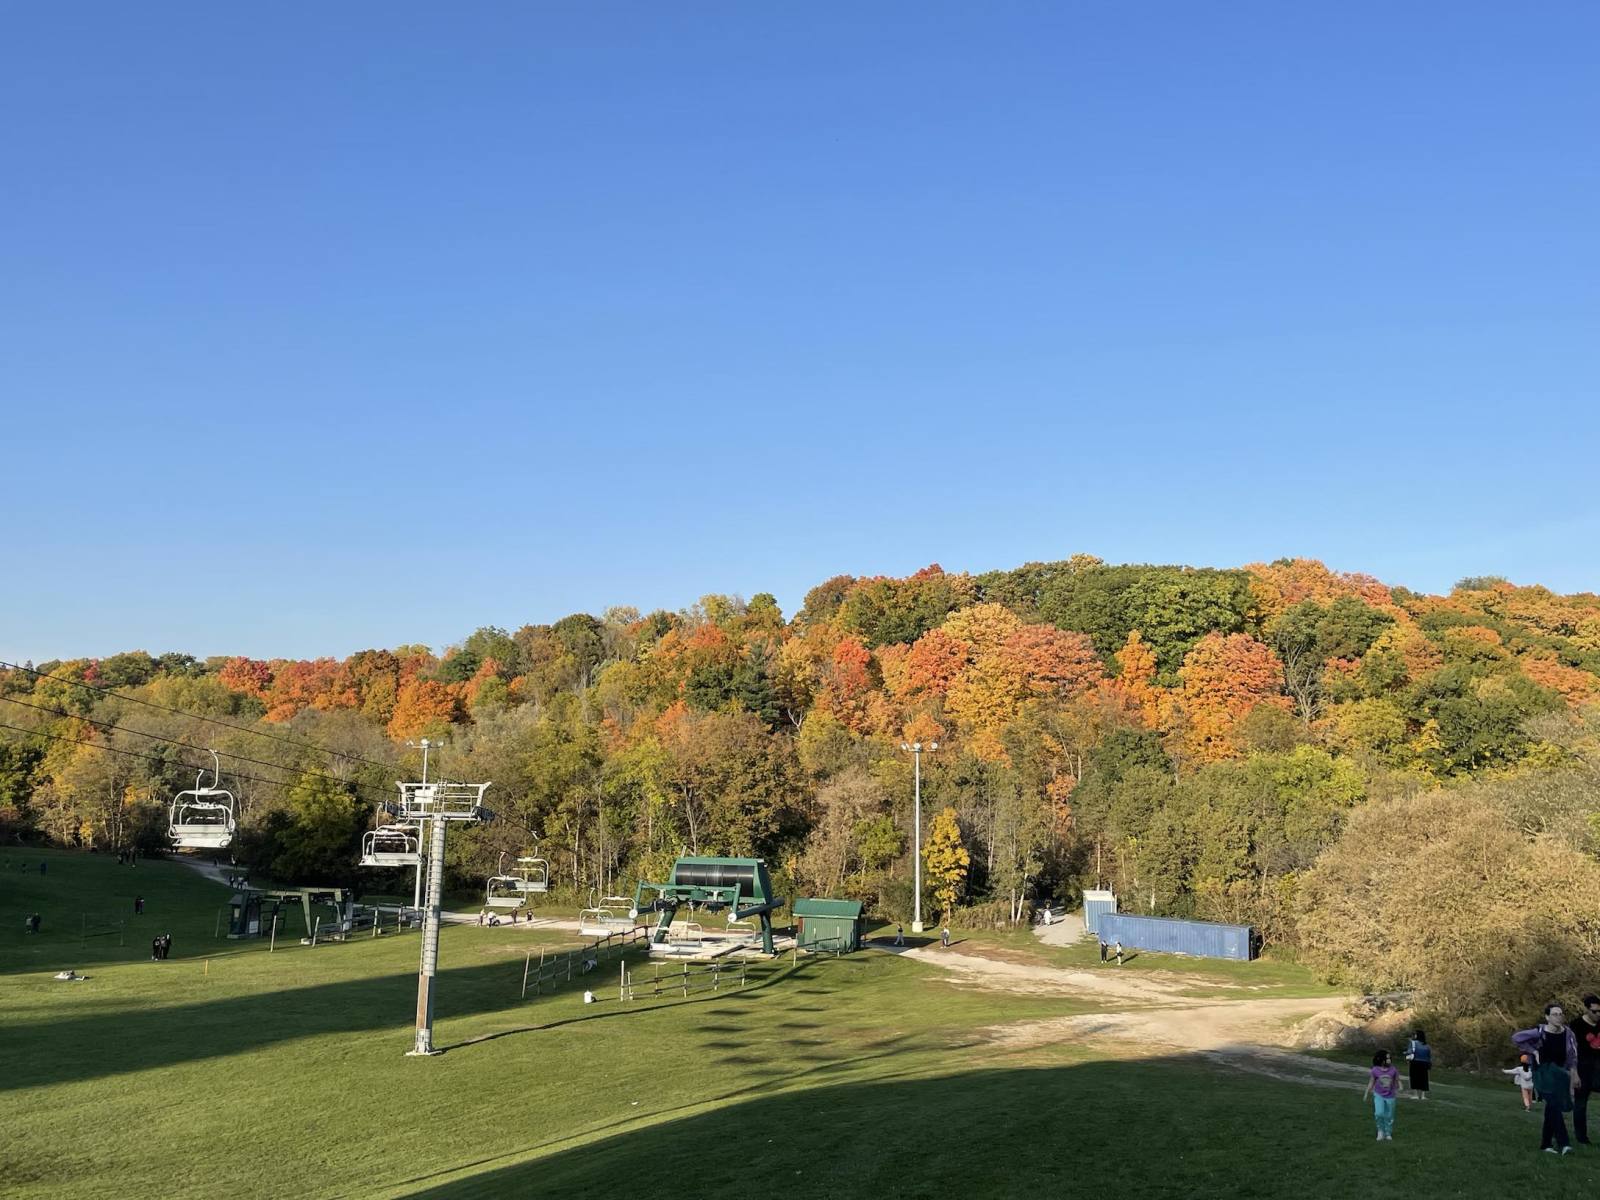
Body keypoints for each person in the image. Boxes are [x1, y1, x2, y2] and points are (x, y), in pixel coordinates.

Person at [1514, 1003, 1580, 1154]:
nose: (1558, 1017)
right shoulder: (1539, 1032)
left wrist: (1574, 1074)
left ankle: (1546, 1144)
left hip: (1560, 1074)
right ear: (1547, 1017)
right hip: (1543, 1073)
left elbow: (1573, 1056)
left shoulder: (1568, 1034)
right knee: (1553, 1104)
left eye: (1560, 1014)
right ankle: (1565, 1144)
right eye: (1555, 1014)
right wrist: (1533, 1051)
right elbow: (1517, 1038)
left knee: (1552, 1107)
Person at [1574, 995, 1600, 1143]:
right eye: (1595, 1011)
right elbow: (1571, 1051)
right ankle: (1581, 1138)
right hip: (1582, 1069)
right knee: (1580, 1104)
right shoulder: (1576, 1025)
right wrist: (1574, 1073)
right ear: (1587, 1009)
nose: (1598, 1014)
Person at [1363, 1049, 1403, 1140]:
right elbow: (1371, 1082)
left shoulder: (1393, 1070)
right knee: (1379, 1113)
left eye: (1389, 1058)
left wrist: (1400, 1086)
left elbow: (1397, 1080)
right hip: (1378, 1095)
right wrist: (1366, 1093)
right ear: (1380, 1059)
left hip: (1390, 1096)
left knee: (1389, 1115)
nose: (1389, 1060)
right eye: (1387, 1058)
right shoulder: (1375, 1070)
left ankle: (1388, 1133)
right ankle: (1380, 1131)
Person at [1404, 1029, 1431, 1100]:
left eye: (1415, 1034)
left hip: (1415, 1062)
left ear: (1417, 1035)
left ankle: (1415, 1095)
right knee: (1424, 1079)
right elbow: (1429, 1055)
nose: (1414, 1035)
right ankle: (1423, 1096)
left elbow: (1410, 1051)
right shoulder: (1427, 1045)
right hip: (1425, 1063)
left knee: (1414, 1078)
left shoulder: (1413, 1043)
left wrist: (1405, 1054)